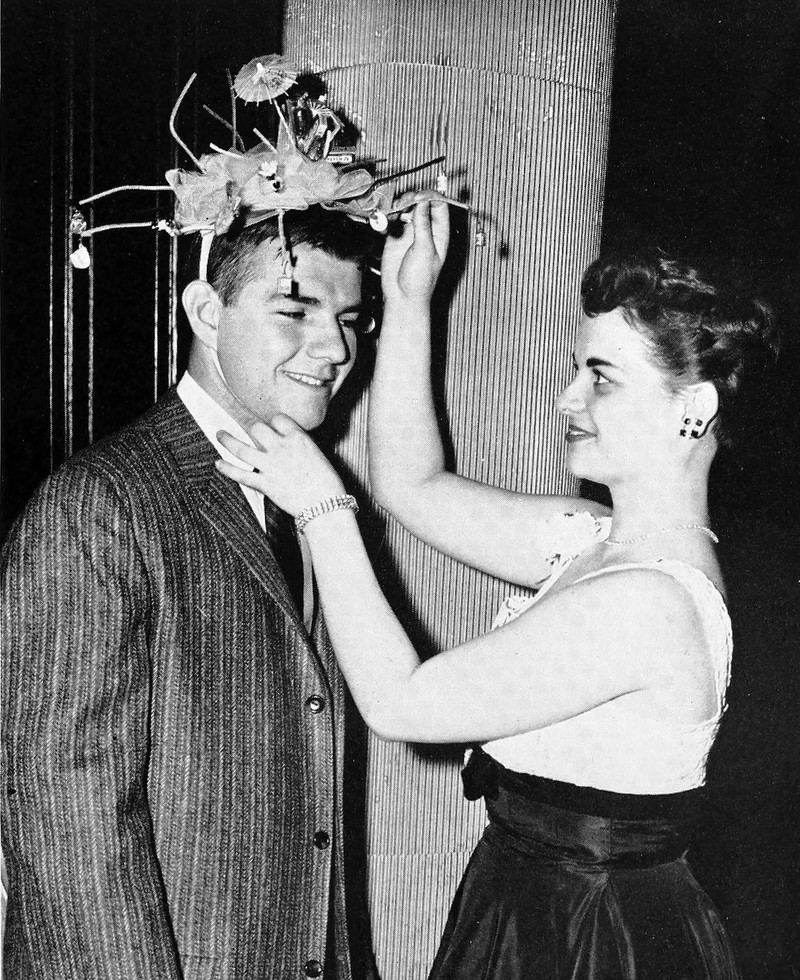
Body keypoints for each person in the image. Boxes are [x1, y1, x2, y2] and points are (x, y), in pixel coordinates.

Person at [216, 195, 778, 979]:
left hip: (591, 939)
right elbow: (412, 486)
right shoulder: (598, 540)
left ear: (694, 407)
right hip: (534, 911)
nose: (568, 398)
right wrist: (409, 299)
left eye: (601, 378)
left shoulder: (649, 604)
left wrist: (321, 508)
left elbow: (401, 703)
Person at [1, 59, 388, 978]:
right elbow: (66, 823)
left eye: (353, 319)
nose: (334, 347)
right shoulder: (100, 507)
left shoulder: (312, 492)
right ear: (206, 310)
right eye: (295, 309)